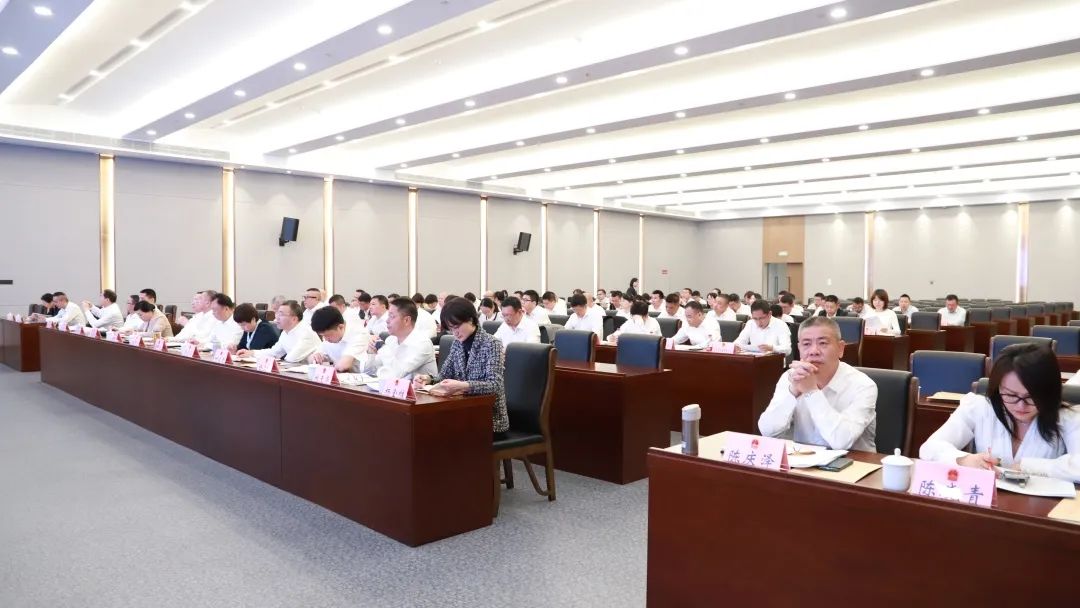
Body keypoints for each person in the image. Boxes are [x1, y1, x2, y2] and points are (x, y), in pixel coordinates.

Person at [920, 344, 1079, 482]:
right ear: (998, 389)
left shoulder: (1069, 418)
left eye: (1031, 397)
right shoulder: (979, 407)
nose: (1021, 405)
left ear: (1050, 392)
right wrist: (964, 459)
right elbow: (929, 448)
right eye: (1010, 395)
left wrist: (1028, 466)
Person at [758, 317, 877, 450]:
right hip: (803, 460)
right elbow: (767, 431)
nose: (813, 351)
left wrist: (811, 392)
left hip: (853, 461)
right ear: (799, 348)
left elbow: (841, 441)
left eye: (823, 343)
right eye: (806, 344)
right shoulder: (790, 377)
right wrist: (792, 392)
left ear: (840, 348)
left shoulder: (863, 385)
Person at [414, 298, 508, 436]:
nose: (455, 333)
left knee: (440, 434)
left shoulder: (492, 344)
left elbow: (495, 385)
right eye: (451, 329)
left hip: (489, 418)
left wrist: (463, 386)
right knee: (427, 429)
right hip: (462, 411)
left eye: (457, 327)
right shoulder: (457, 344)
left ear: (470, 320)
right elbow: (444, 375)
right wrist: (428, 379)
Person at [362, 297, 437, 379]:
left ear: (406, 320)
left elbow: (397, 374)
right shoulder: (391, 340)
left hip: (417, 387)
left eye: (392, 316)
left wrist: (382, 347)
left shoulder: (422, 343)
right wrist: (371, 352)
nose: (387, 320)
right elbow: (368, 372)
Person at [239, 300, 319, 362]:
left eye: (281, 314)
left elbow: (292, 358)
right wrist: (251, 353)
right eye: (277, 313)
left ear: (294, 319)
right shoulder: (286, 332)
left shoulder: (306, 332)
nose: (276, 317)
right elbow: (274, 352)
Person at [308, 307, 372, 373]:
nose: (325, 339)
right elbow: (311, 358)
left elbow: (343, 365)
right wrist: (315, 357)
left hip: (362, 376)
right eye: (323, 336)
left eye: (327, 335)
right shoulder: (329, 336)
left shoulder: (359, 334)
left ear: (340, 327)